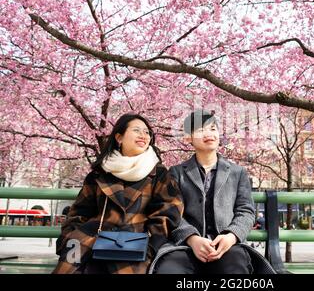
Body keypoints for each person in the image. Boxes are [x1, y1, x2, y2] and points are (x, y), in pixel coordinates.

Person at [52, 113, 184, 274]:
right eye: (137, 130)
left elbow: (169, 212)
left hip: (134, 245)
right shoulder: (100, 172)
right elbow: (79, 212)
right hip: (88, 242)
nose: (143, 135)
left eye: (147, 132)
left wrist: (151, 244)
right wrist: (70, 238)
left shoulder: (159, 173)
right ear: (119, 138)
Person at [150, 110, 275, 274]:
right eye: (201, 130)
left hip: (228, 247)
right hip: (185, 247)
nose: (209, 134)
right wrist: (192, 239)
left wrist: (231, 236)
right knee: (169, 270)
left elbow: (246, 211)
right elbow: (172, 212)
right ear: (188, 138)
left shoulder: (237, 173)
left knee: (234, 270)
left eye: (213, 128)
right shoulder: (176, 173)